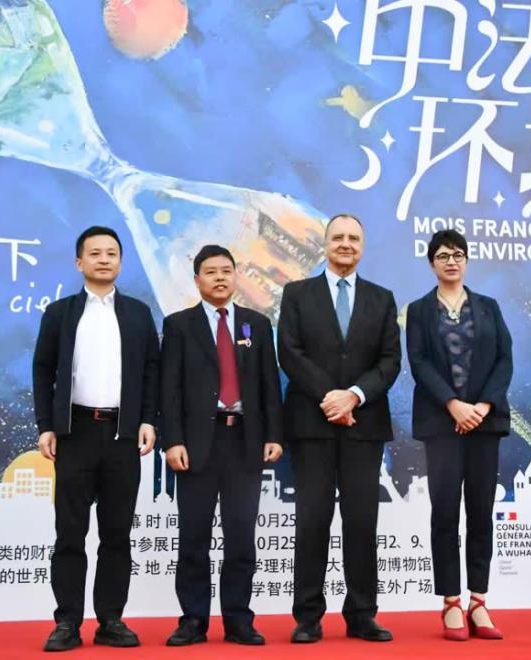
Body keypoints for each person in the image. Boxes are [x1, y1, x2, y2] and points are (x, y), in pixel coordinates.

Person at [32, 226, 160, 652]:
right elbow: (42, 370)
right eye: (95, 253)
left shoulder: (139, 313)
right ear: (79, 262)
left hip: (123, 435)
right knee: (70, 532)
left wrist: (148, 419)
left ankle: (111, 620)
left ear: (120, 261)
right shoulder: (60, 313)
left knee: (117, 533)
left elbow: (152, 371)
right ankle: (67, 622)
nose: (104, 259)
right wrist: (46, 425)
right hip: (75, 432)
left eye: (111, 253)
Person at [277, 214, 401, 643]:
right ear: (325, 243)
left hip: (364, 425)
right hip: (311, 424)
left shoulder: (382, 299)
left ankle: (362, 614)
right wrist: (331, 397)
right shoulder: (297, 294)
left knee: (361, 521)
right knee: (312, 520)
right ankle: (307, 617)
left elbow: (390, 361)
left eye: (354, 238)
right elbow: (289, 352)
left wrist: (354, 396)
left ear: (362, 246)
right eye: (338, 237)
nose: (346, 244)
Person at [161, 245, 284, 646]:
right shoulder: (178, 325)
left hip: (244, 440)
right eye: (210, 271)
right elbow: (169, 389)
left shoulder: (256, 324)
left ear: (236, 276)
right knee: (193, 536)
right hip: (198, 443)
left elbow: (269, 385)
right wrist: (172, 441)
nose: (219, 277)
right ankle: (193, 620)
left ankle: (238, 620)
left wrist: (274, 435)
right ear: (197, 279)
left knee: (241, 535)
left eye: (226, 271)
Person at [405, 229, 513, 641]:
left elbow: (504, 359)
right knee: (446, 512)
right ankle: (451, 601)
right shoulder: (419, 310)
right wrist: (453, 404)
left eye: (458, 255)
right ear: (432, 263)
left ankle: (479, 601)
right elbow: (419, 363)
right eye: (443, 255)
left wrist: (482, 406)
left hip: (485, 423)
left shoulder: (488, 307)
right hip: (442, 424)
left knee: (481, 512)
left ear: (466, 261)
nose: (451, 261)